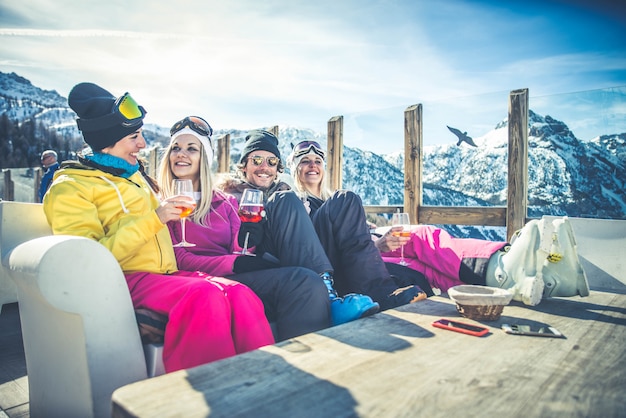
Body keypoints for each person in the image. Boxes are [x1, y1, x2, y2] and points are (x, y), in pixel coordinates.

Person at [43, 82, 274, 373]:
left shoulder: (132, 178)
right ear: (108, 141)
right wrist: (156, 218)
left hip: (165, 276)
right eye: (134, 137)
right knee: (204, 297)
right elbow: (86, 262)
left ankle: (266, 381)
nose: (142, 144)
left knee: (240, 295)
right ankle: (211, 393)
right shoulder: (72, 187)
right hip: (121, 280)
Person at [288, 139, 590, 306]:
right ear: (293, 170)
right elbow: (314, 244)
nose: (312, 165)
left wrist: (376, 241)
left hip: (364, 248)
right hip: (338, 262)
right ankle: (501, 270)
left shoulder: (331, 201)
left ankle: (509, 276)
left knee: (422, 262)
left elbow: (354, 235)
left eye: (317, 160)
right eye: (304, 161)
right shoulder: (295, 202)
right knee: (419, 236)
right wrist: (374, 243)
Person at [157, 115, 333, 339]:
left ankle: (312, 356)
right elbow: (177, 257)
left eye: (192, 148)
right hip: (196, 280)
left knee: (306, 281)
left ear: (204, 158)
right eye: (175, 148)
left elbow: (240, 249)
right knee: (300, 281)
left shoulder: (224, 202)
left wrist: (250, 242)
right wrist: (236, 262)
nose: (181, 154)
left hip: (229, 276)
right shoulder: (160, 203)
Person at [217, 130, 426, 314]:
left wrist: (373, 240)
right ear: (243, 166)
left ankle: (382, 293)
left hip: (317, 255)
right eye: (256, 160)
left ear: (278, 167)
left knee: (347, 198)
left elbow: (351, 237)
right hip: (279, 259)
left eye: (271, 161)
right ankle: (359, 294)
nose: (264, 167)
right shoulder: (233, 198)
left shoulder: (285, 194)